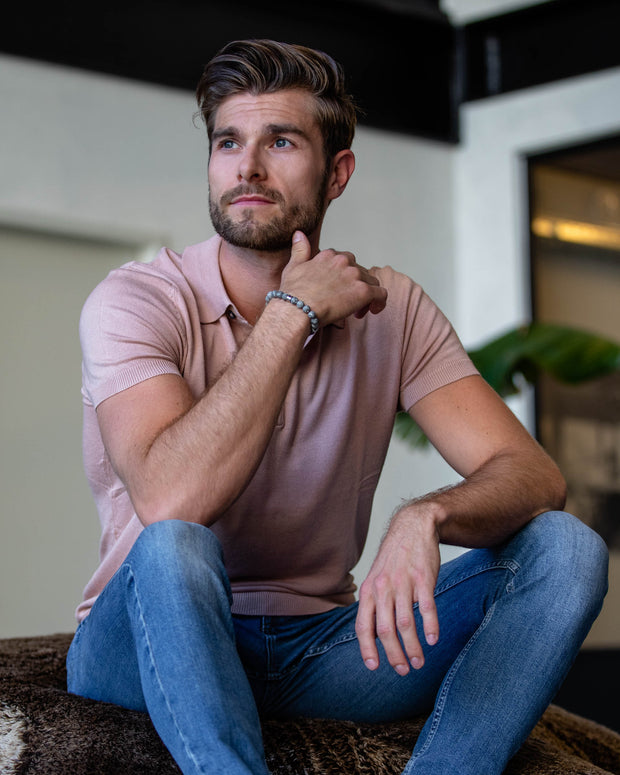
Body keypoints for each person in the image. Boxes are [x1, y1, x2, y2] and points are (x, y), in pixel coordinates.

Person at [67, 39, 608, 775]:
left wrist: (427, 515)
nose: (247, 167)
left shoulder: (393, 310)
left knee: (566, 546)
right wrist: (293, 312)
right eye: (228, 142)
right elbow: (171, 498)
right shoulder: (135, 300)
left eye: (280, 141)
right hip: (147, 636)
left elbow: (533, 474)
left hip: (319, 649)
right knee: (174, 545)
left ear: (337, 172)